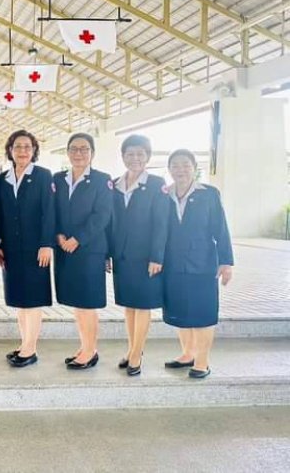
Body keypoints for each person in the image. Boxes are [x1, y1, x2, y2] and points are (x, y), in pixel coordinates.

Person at [163, 149, 233, 379]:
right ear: (169, 169)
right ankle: (187, 354)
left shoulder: (209, 194)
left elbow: (220, 229)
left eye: (185, 165)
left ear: (194, 168)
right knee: (180, 310)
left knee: (203, 312)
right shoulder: (164, 194)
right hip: (172, 264)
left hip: (202, 264)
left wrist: (226, 262)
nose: (180, 170)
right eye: (175, 165)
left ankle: (202, 362)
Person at [108, 134, 169, 376]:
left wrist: (157, 257)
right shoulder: (115, 184)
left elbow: (161, 223)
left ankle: (136, 354)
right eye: (130, 154)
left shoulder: (156, 184)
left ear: (148, 157)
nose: (135, 158)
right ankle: (132, 348)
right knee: (129, 305)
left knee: (143, 305)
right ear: (123, 156)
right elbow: (110, 222)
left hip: (146, 257)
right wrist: (108, 254)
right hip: (122, 256)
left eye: (140, 154)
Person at [53, 132, 113, 370]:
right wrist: (58, 235)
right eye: (74, 149)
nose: (78, 153)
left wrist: (77, 239)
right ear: (67, 153)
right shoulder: (58, 179)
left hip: (89, 250)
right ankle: (85, 346)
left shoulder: (102, 180)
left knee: (87, 303)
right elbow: (52, 210)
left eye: (84, 149)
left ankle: (90, 351)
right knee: (77, 303)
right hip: (64, 248)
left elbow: (102, 215)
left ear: (92, 153)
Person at [0, 130, 55, 368]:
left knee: (33, 299)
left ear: (34, 150)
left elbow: (49, 212)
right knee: (19, 299)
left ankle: (31, 349)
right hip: (11, 247)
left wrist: (46, 244)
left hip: (35, 248)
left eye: (27, 147)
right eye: (17, 146)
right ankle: (24, 344)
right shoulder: (3, 179)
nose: (22, 151)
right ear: (10, 150)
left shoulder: (43, 176)